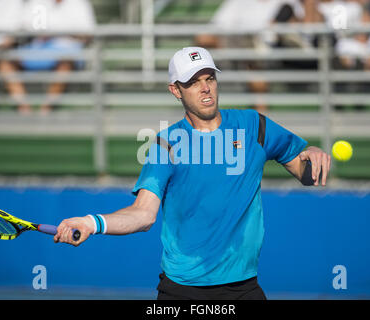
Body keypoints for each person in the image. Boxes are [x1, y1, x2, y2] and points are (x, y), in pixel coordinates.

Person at [54, 47, 331, 300]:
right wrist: (92, 222)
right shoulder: (166, 144)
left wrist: (314, 152)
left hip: (244, 288)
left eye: (209, 78)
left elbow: (307, 174)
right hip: (182, 292)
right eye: (193, 83)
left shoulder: (254, 126)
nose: (205, 89)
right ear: (176, 90)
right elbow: (144, 214)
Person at [20, 0, 96, 114]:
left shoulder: (79, 3)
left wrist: (63, 33)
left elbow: (88, 34)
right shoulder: (37, 3)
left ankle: (46, 108)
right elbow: (25, 26)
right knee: (7, 62)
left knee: (65, 62)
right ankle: (24, 106)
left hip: (68, 50)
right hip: (39, 50)